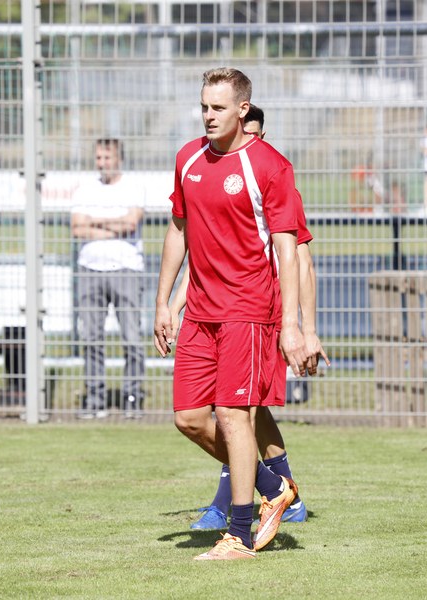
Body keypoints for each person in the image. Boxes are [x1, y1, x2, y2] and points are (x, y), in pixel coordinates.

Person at [153, 67, 308, 560]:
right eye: (203, 106)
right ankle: (274, 487)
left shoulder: (269, 166)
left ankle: (239, 535)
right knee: (188, 418)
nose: (208, 115)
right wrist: (163, 301)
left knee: (233, 416)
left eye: (218, 108)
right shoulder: (188, 158)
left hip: (249, 310)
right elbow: (178, 229)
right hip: (200, 312)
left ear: (243, 109)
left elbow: (288, 252)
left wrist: (291, 326)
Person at [176, 104, 329, 530]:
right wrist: (174, 304)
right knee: (241, 413)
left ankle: (231, 508)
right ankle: (278, 492)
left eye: (256, 135)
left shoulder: (272, 177)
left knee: (240, 411)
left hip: (261, 311)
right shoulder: (204, 167)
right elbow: (203, 253)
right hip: (220, 309)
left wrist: (305, 329)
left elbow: (301, 261)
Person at [71, 138, 146, 419]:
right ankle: (95, 399)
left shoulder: (133, 188)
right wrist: (113, 225)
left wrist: (94, 220)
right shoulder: (84, 189)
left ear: (119, 159)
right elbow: (77, 228)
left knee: (131, 338)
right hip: (90, 270)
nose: (102, 163)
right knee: (91, 338)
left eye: (107, 158)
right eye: (99, 158)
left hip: (126, 269)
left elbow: (131, 224)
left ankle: (132, 398)